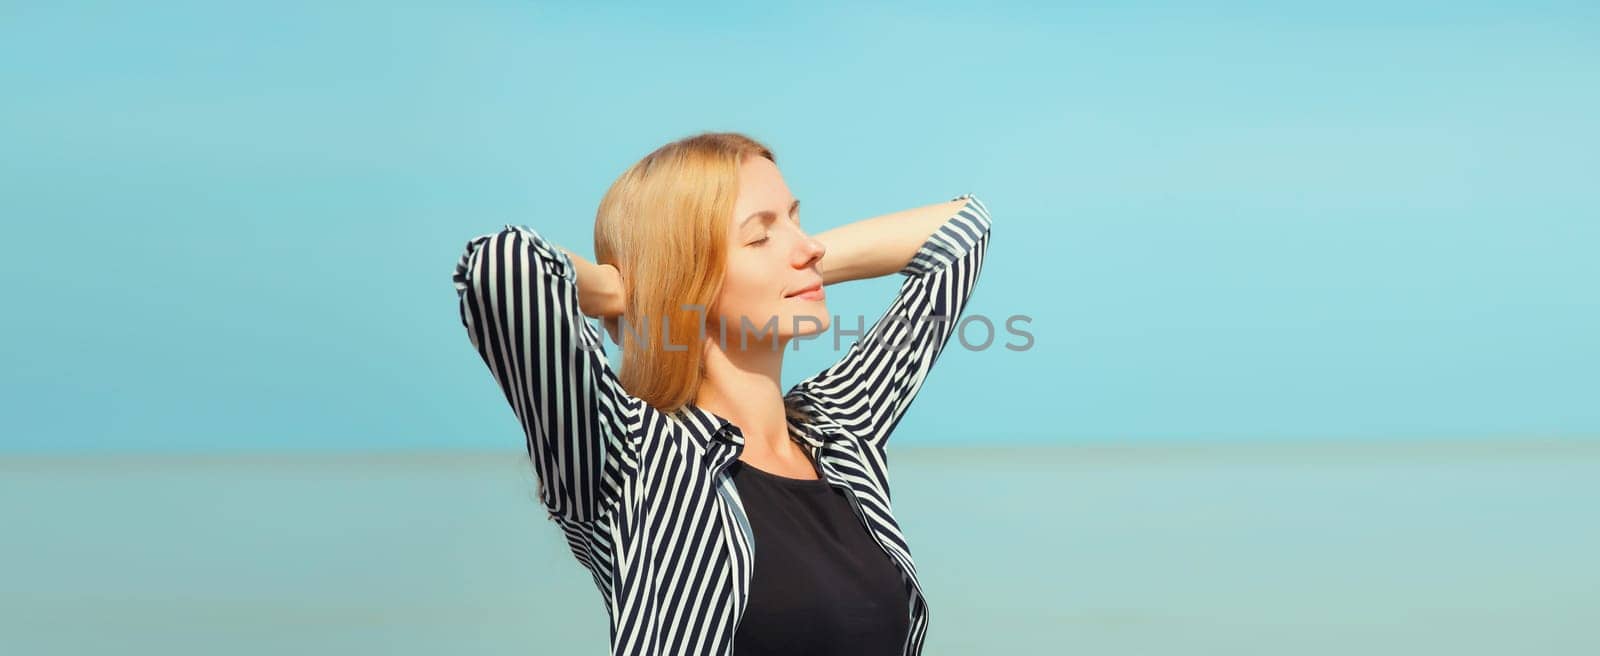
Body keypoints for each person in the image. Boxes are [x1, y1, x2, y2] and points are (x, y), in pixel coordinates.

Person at [451, 131, 992, 655]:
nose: (811, 246)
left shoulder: (843, 428)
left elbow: (961, 231)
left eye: (796, 220)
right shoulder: (630, 457)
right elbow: (502, 267)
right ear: (687, 274)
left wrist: (798, 262)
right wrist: (629, 288)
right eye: (759, 236)